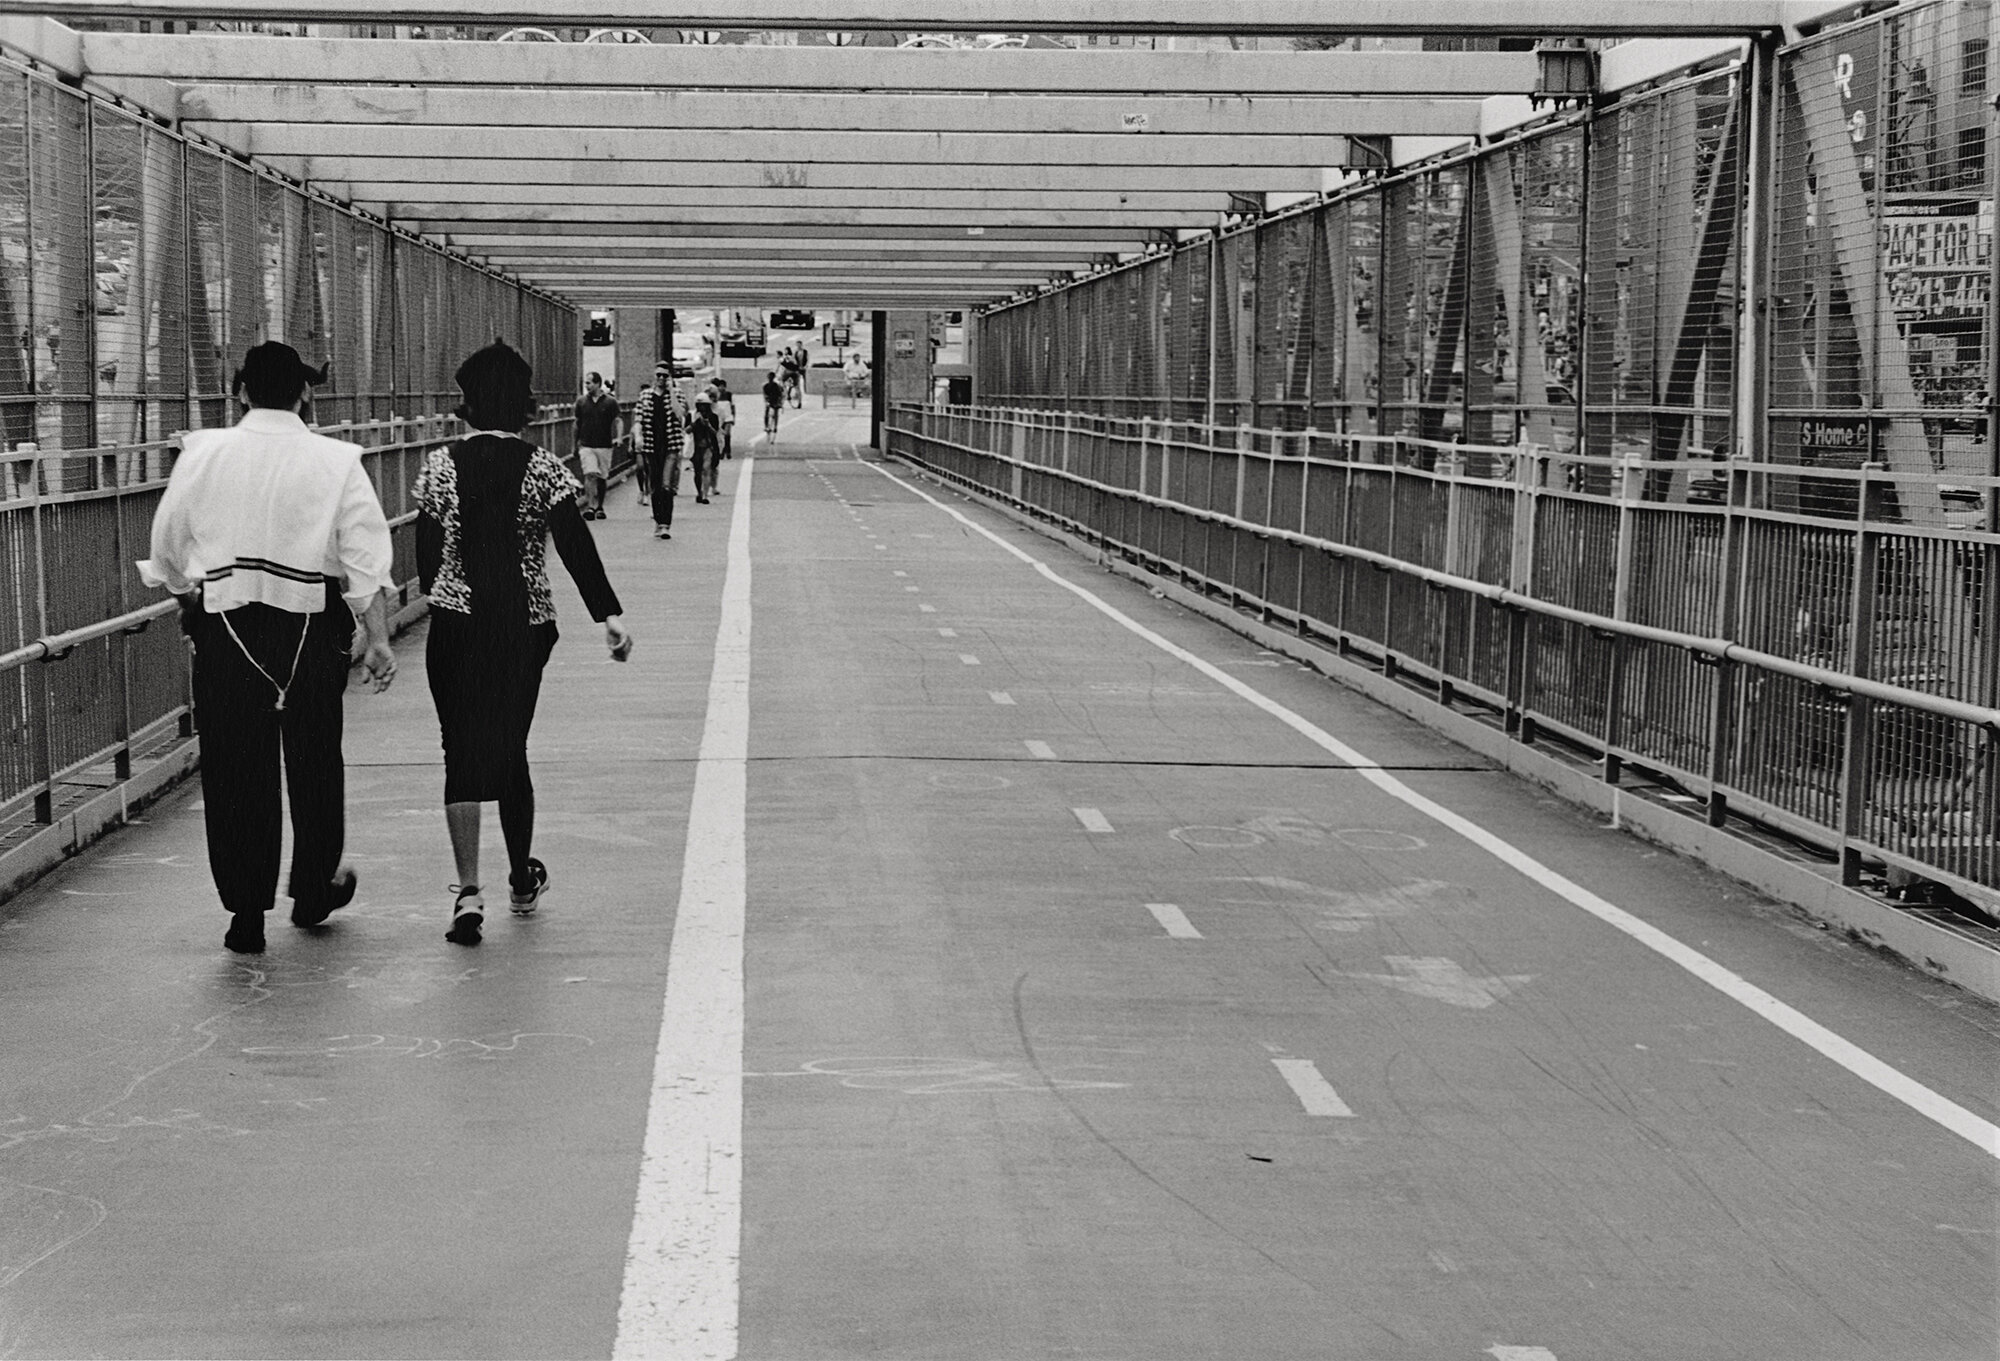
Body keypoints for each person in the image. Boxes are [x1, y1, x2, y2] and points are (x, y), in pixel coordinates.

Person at [138, 342, 396, 954]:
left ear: (241, 391)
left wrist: (185, 599)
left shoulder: (202, 453)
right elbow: (363, 553)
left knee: (234, 768)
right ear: (305, 392)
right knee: (313, 761)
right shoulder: (337, 460)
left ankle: (246, 913)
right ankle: (311, 891)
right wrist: (378, 636)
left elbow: (168, 544)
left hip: (227, 626)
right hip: (311, 628)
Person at [414, 341, 632, 946]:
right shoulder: (543, 468)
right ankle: (519, 878)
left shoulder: (439, 467)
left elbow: (427, 558)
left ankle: (467, 891)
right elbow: (573, 545)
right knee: (510, 746)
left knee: (458, 747)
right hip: (523, 625)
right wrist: (606, 616)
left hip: (456, 623)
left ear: (468, 405)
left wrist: (446, 591)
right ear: (524, 407)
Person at [635, 360, 686, 539]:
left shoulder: (677, 394)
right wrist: (638, 437)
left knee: (666, 486)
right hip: (651, 446)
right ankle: (658, 520)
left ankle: (665, 524)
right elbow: (638, 420)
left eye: (665, 376)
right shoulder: (645, 396)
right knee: (655, 486)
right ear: (654, 376)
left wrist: (671, 391)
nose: (661, 379)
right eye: (659, 375)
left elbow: (680, 415)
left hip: (670, 446)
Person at [572, 370, 621, 519]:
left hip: (604, 445)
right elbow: (576, 423)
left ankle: (600, 506)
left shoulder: (610, 402)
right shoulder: (581, 402)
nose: (586, 386)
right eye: (586, 383)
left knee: (602, 477)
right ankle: (590, 506)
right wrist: (575, 444)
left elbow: (618, 420)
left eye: (589, 383)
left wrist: (619, 437)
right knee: (590, 474)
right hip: (587, 445)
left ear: (598, 383)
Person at [689, 392, 721, 504]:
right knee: (697, 472)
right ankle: (699, 492)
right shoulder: (693, 416)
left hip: (709, 447)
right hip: (696, 447)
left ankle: (705, 495)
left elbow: (715, 432)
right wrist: (695, 423)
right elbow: (687, 430)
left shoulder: (713, 417)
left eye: (704, 405)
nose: (702, 407)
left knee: (706, 469)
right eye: (699, 405)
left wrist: (707, 425)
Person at [708, 376, 737, 460]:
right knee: (720, 435)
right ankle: (722, 451)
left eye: (723, 386)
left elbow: (733, 407)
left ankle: (728, 451)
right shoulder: (715, 396)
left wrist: (734, 417)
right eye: (720, 386)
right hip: (719, 418)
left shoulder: (729, 395)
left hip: (728, 417)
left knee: (727, 434)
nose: (721, 388)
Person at [762, 370, 785, 441]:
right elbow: (765, 395)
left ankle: (775, 426)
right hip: (770, 400)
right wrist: (767, 401)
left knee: (775, 412)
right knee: (767, 412)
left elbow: (781, 395)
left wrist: (780, 402)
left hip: (775, 400)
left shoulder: (776, 386)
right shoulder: (765, 386)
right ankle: (767, 426)